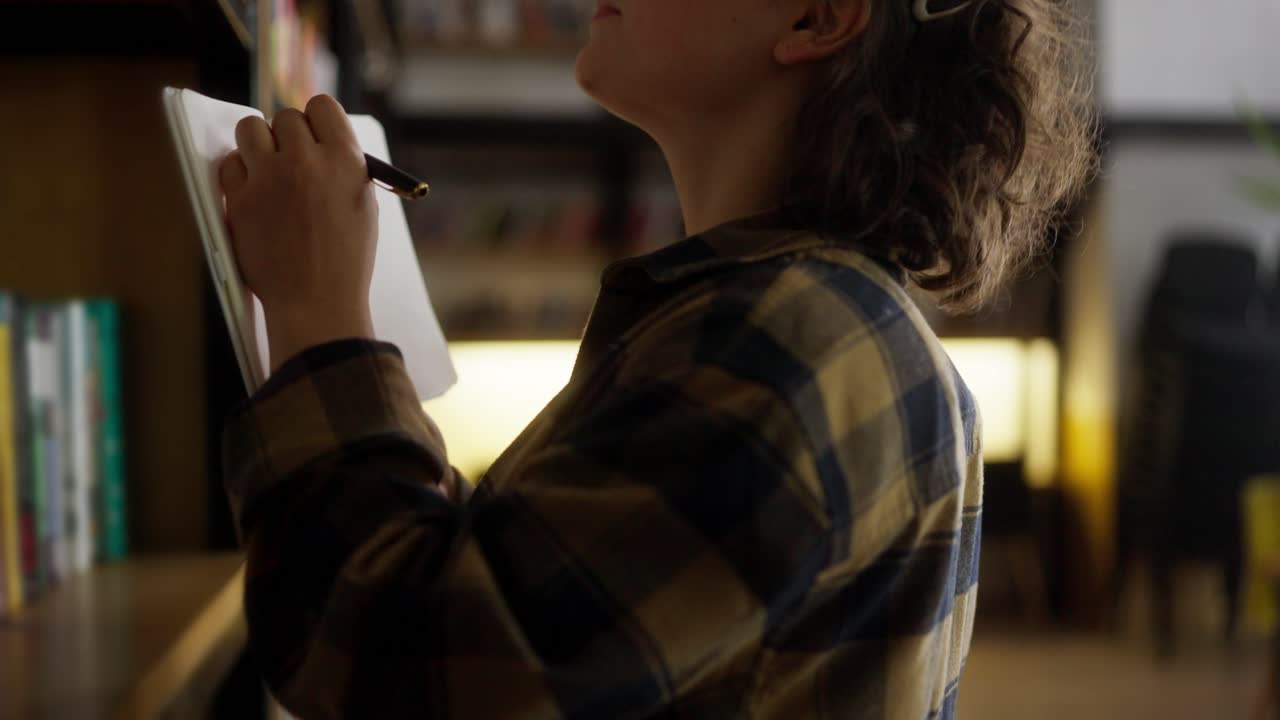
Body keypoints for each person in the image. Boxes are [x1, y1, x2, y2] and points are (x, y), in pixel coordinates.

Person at [217, 0, 1094, 716]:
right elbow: (531, 591)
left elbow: (393, 664)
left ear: (817, 19)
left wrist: (318, 312)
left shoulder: (784, 345)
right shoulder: (811, 317)